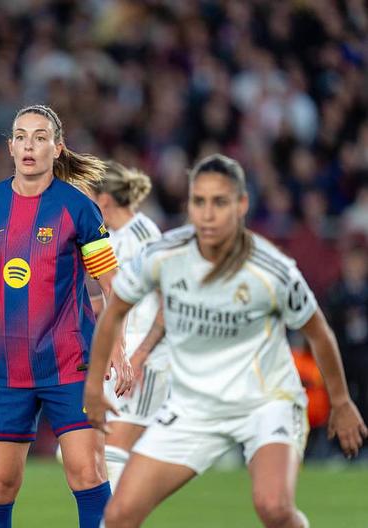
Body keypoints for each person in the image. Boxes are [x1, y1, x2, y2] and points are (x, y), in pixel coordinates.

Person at [84, 154, 367, 528]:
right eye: (199, 201)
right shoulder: (165, 254)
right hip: (195, 407)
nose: (208, 214)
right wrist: (94, 386)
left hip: (264, 402)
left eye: (219, 202)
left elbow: (318, 332)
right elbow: (115, 307)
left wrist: (342, 402)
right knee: (119, 514)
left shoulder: (272, 269)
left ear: (242, 204)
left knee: (273, 507)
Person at [0, 104, 132, 528]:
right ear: (10, 147)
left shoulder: (77, 208)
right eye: (21, 136)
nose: (29, 145)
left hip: (70, 364)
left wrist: (117, 346)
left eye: (40, 137)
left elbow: (111, 284)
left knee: (88, 474)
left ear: (57, 147)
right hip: (6, 367)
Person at [90, 161, 170, 492]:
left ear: (104, 200)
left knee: (112, 451)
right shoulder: (111, 238)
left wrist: (139, 358)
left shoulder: (144, 236)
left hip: (146, 358)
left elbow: (168, 303)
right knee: (92, 452)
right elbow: (115, 301)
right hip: (120, 354)